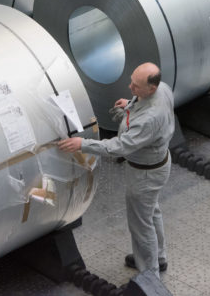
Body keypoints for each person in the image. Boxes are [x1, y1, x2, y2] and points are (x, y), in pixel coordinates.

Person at [58, 62, 175, 277]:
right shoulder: (163, 89)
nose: (131, 87)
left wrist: (82, 144)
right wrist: (131, 104)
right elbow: (142, 107)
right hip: (157, 165)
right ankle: (159, 256)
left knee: (141, 224)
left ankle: (150, 274)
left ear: (152, 88)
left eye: (136, 86)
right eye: (132, 81)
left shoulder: (149, 120)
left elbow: (118, 147)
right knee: (151, 212)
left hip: (145, 175)